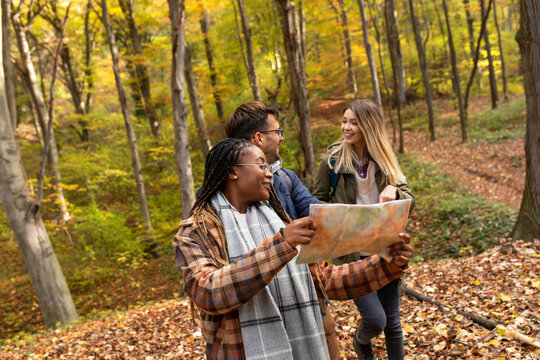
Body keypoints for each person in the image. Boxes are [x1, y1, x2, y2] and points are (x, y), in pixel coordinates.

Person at [173, 138, 413, 360]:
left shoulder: (277, 219)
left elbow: (325, 281)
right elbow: (208, 293)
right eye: (261, 166)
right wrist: (281, 245)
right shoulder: (195, 231)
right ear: (234, 171)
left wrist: (386, 262)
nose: (269, 175)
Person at [225, 101, 341, 359]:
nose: (281, 137)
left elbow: (317, 212)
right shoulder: (215, 198)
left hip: (306, 294)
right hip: (251, 310)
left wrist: (368, 222)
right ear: (258, 138)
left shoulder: (285, 179)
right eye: (276, 132)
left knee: (327, 339)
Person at [313, 99, 415, 360]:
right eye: (344, 121)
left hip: (385, 248)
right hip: (352, 254)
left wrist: (395, 190)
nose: (346, 127)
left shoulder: (384, 158)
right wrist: (339, 217)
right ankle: (361, 342)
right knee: (376, 319)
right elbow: (316, 200)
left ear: (368, 126)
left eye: (353, 123)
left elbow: (409, 199)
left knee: (392, 323)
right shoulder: (333, 159)